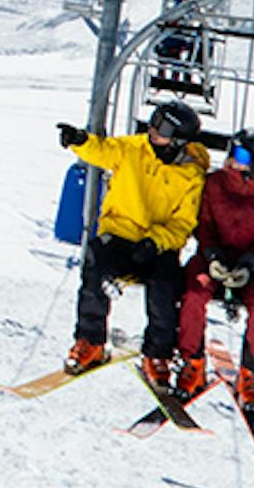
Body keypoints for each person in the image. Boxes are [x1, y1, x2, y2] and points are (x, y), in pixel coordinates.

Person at [54, 102, 212, 390]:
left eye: (162, 128)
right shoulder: (134, 150)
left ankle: (158, 354)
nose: (152, 130)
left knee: (164, 286)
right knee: (95, 265)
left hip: (158, 245)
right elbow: (104, 150)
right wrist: (79, 141)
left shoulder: (191, 175)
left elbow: (183, 223)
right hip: (120, 234)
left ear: (178, 138)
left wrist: (157, 242)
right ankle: (91, 341)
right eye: (153, 122)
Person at [174, 129, 254, 410]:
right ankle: (192, 361)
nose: (230, 160)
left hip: (253, 266)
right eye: (230, 151)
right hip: (211, 259)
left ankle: (250, 373)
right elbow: (202, 223)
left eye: (239, 155)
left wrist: (252, 261)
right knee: (193, 294)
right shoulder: (214, 184)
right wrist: (212, 253)